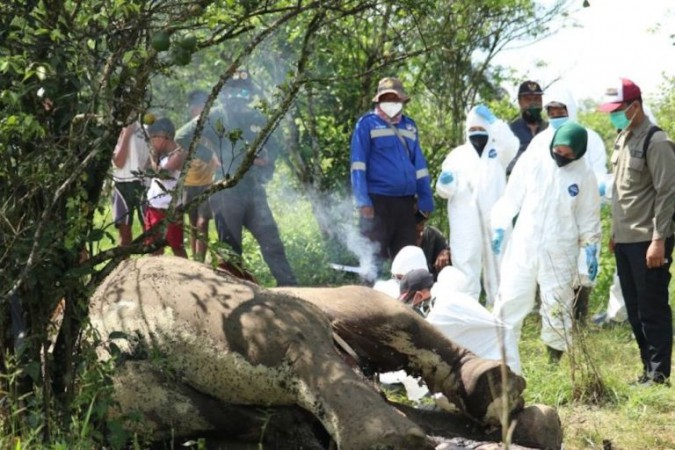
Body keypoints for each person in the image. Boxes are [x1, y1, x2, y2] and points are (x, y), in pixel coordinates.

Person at [491, 122, 601, 362]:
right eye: (558, 150)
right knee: (510, 298)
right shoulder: (533, 161)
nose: (561, 156)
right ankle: (500, 357)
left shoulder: (584, 174)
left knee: (557, 304)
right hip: (524, 243)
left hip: (560, 249)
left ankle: (554, 361)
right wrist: (499, 225)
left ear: (579, 152)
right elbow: (511, 197)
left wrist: (591, 247)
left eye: (568, 154)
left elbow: (589, 216)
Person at [176, 68, 297, 286]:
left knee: (272, 243)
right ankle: (235, 298)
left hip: (254, 190)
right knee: (231, 252)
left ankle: (291, 289)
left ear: (249, 94)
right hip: (226, 193)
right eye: (233, 92)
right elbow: (182, 136)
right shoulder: (216, 115)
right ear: (224, 93)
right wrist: (210, 156)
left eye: (242, 92)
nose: (237, 97)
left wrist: (266, 161)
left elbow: (273, 147)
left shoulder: (258, 118)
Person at [598, 78, 675, 385]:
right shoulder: (623, 139)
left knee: (652, 307)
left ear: (635, 106)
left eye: (618, 110)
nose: (614, 115)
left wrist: (659, 240)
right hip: (626, 239)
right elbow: (622, 192)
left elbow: (667, 193)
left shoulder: (656, 142)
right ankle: (646, 369)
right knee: (633, 308)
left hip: (649, 240)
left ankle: (658, 374)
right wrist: (615, 234)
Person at [531, 86, 609, 323]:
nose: (556, 115)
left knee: (582, 274)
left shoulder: (590, 138)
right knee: (548, 277)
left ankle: (579, 322)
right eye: (551, 111)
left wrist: (599, 187)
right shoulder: (539, 142)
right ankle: (550, 322)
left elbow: (597, 175)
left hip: (580, 214)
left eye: (560, 110)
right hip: (549, 223)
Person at [350, 77, 434, 283]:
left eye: (394, 98)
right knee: (372, 261)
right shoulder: (366, 124)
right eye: (386, 98)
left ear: (403, 100)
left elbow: (420, 166)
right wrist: (363, 201)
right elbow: (358, 165)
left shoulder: (410, 126)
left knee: (407, 258)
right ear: (378, 101)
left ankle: (406, 307)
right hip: (377, 203)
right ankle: (366, 307)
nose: (390, 102)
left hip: (406, 204)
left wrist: (425, 199)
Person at [436, 104, 519, 306]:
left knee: (499, 268)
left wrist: (495, 122)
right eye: (472, 129)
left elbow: (512, 144)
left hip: (496, 220)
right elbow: (444, 192)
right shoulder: (456, 156)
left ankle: (500, 314)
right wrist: (444, 183)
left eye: (481, 128)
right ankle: (467, 312)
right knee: (465, 269)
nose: (477, 133)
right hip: (465, 223)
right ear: (466, 130)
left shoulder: (499, 151)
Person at [179, 89, 219, 261]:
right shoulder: (189, 130)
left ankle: (200, 260)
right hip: (189, 181)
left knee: (202, 223)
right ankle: (194, 262)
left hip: (207, 181)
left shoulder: (212, 127)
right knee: (193, 222)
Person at [144, 118, 188, 258]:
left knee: (177, 247)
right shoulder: (162, 155)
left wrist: (152, 156)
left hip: (171, 209)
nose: (152, 142)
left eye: (154, 138)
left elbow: (163, 174)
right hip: (154, 207)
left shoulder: (179, 154)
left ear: (164, 136)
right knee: (153, 248)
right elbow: (147, 169)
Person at [111, 121, 150, 246]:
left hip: (142, 183)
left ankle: (155, 263)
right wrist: (127, 134)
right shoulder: (114, 130)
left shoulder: (146, 129)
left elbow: (151, 157)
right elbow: (119, 162)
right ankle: (124, 264)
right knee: (125, 236)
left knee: (150, 232)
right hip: (121, 184)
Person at [506, 80, 548, 175]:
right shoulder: (510, 130)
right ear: (520, 102)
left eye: (537, 99)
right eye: (528, 99)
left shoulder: (550, 129)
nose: (533, 103)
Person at [414, 211, 450, 281]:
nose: (420, 230)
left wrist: (446, 252)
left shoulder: (432, 235)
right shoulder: (401, 242)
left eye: (422, 224)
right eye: (416, 229)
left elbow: (450, 249)